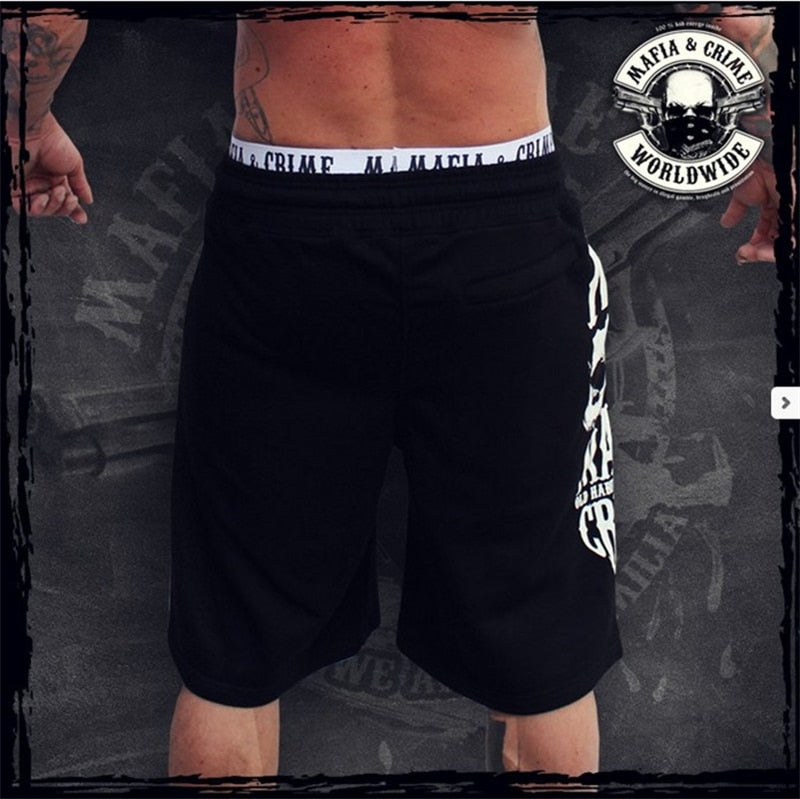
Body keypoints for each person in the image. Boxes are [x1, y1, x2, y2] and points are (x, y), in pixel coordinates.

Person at [3, 2, 778, 780]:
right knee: (542, 645)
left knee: (234, 652)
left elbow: (47, 16)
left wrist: (26, 121)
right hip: (500, 218)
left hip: (289, 223)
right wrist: (762, 144)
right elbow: (739, 21)